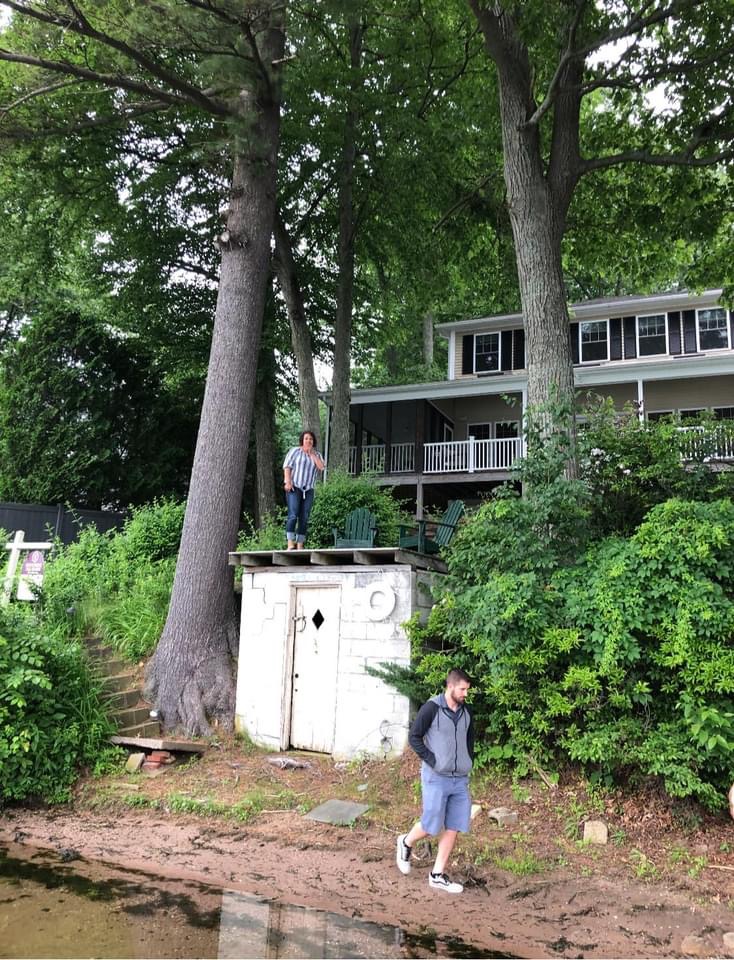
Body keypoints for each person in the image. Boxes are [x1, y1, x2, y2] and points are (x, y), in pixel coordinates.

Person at [396, 668, 474, 894]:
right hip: (436, 777)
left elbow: (469, 740)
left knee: (454, 825)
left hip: (460, 779)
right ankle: (406, 842)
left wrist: (468, 761)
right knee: (431, 824)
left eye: (467, 690)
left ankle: (437, 875)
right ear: (450, 687)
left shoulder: (466, 712)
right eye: (462, 689)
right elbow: (414, 737)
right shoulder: (431, 708)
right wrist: (433, 760)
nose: (465, 694)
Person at [283, 430, 325, 550]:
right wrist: (287, 481)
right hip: (294, 487)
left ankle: (300, 544)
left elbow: (321, 467)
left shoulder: (317, 454)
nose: (308, 441)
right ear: (302, 440)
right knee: (293, 514)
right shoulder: (295, 451)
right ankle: (290, 542)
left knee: (304, 517)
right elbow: (287, 466)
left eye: (311, 439)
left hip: (309, 490)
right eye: (306, 438)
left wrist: (312, 455)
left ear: (313, 441)